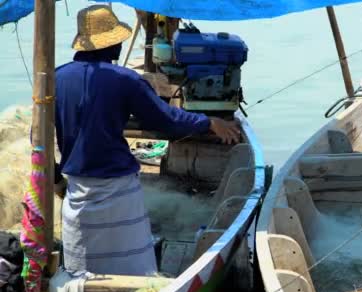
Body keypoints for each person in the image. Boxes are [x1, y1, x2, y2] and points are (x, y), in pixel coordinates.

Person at [53, 5, 240, 276]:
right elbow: (166, 120)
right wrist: (209, 122)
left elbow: (41, 139)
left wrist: (58, 182)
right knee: (133, 267)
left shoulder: (55, 78)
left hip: (77, 195)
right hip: (118, 193)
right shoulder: (125, 80)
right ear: (112, 44)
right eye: (118, 40)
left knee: (81, 269)